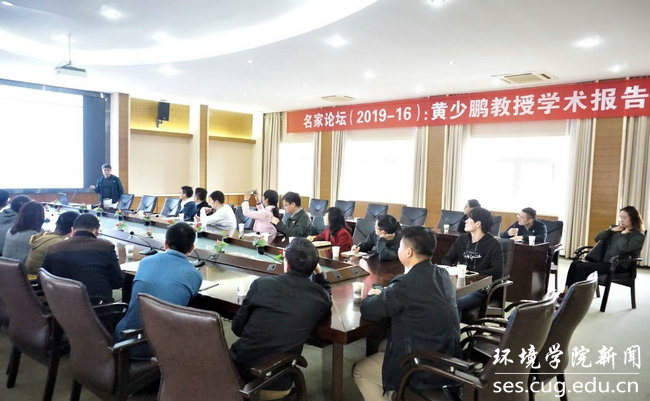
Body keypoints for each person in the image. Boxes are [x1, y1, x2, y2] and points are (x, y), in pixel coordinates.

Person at [353, 226, 460, 400]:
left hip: (422, 367)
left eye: (400, 246)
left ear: (409, 252)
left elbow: (368, 310)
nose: (398, 249)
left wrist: (373, 294)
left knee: (360, 370)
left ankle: (396, 392)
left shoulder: (405, 284)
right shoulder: (443, 274)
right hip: (448, 358)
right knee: (382, 345)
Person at [229, 238, 331, 399]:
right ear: (314, 266)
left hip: (233, 372)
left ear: (287, 263)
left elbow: (237, 329)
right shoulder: (321, 298)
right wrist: (318, 273)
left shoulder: (261, 284)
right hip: (275, 380)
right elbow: (326, 293)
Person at [116, 222, 202, 359]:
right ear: (192, 248)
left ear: (165, 243)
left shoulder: (145, 262)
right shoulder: (195, 274)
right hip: (159, 347)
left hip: (123, 339)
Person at [560, 206, 645, 301]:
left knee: (581, 267)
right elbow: (597, 239)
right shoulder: (617, 230)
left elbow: (623, 248)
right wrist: (610, 231)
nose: (621, 220)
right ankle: (567, 291)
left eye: (624, 218)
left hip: (618, 265)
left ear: (633, 218)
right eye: (620, 217)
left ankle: (576, 298)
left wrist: (624, 234)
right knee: (575, 264)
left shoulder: (638, 236)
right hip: (604, 262)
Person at [42, 214, 123, 304]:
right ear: (97, 232)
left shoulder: (53, 248)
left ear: (72, 230)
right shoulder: (106, 247)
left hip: (60, 306)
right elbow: (117, 282)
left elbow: (42, 280)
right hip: (97, 307)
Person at [442, 206, 504, 315]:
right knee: (439, 299)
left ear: (478, 224)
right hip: (460, 285)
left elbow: (497, 271)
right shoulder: (462, 240)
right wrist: (451, 270)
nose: (465, 221)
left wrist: (472, 273)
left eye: (469, 218)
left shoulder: (493, 245)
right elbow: (447, 259)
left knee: (454, 303)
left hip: (481, 289)